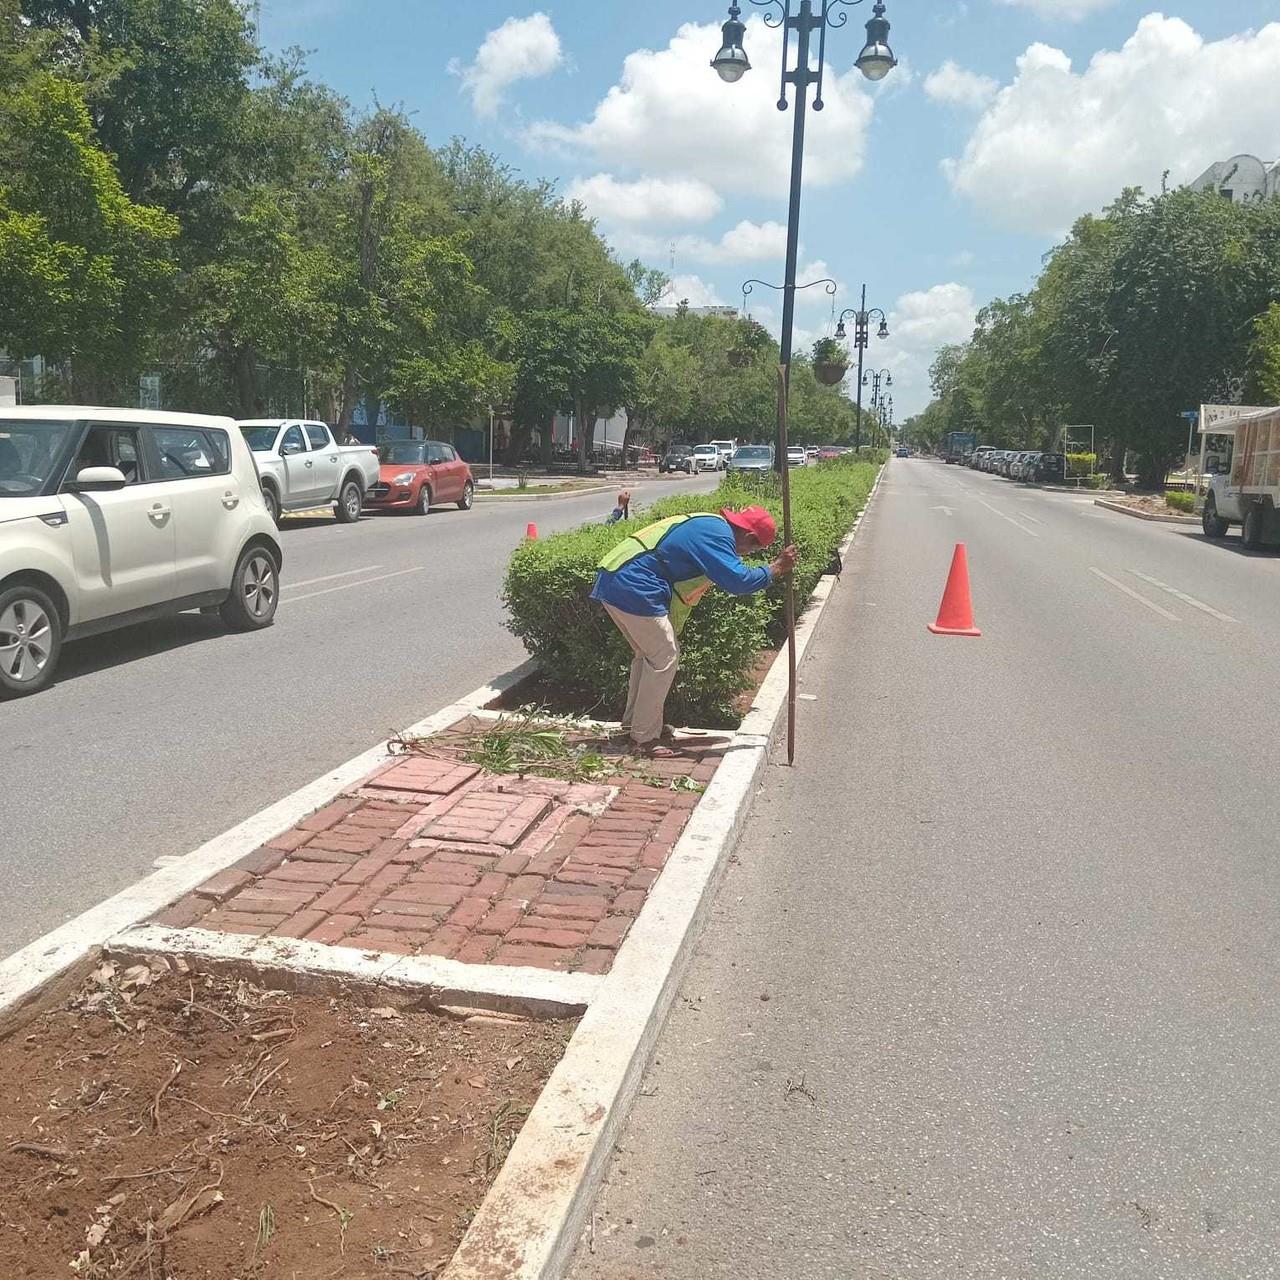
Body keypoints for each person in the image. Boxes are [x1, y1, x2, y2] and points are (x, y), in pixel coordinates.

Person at [591, 506, 798, 757]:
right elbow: (737, 580)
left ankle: (636, 728)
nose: (747, 553)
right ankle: (644, 739)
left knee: (648, 656)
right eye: (754, 549)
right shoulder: (718, 535)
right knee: (664, 657)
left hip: (618, 578)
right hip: (634, 584)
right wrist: (775, 567)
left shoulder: (710, 524)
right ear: (749, 536)